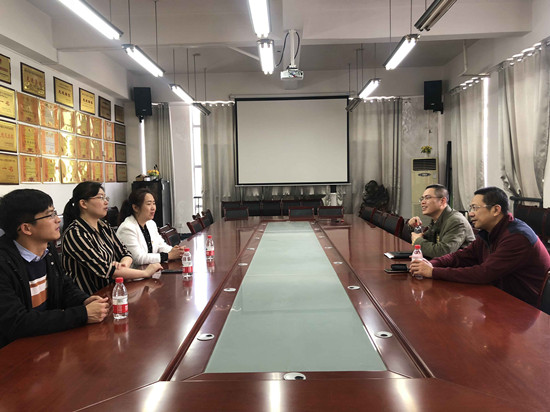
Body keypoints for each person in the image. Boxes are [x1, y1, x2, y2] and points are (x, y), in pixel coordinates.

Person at [0, 189, 109, 348]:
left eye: (55, 213)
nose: (58, 220)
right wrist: (82, 314)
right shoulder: (4, 263)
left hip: (47, 341)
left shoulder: (47, 249)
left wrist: (84, 300)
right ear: (26, 228)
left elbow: (63, 285)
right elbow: (17, 322)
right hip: (15, 351)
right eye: (50, 215)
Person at [410, 187, 550, 307]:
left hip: (525, 307)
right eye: (471, 208)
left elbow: (484, 273)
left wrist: (433, 272)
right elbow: (462, 256)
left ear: (496, 210)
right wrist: (431, 264)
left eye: (475, 208)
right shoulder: (489, 231)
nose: (471, 213)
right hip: (500, 297)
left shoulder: (517, 237)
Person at [62, 182, 162, 295]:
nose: (106, 202)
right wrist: (145, 273)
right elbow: (105, 270)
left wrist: (122, 265)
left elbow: (126, 253)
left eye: (106, 198)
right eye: (101, 198)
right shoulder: (75, 233)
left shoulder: (104, 226)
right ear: (83, 204)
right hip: (90, 298)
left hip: (111, 291)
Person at [116, 188, 184, 266]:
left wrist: (176, 251)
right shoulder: (127, 228)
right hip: (135, 272)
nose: (153, 208)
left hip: (149, 269)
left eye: (154, 203)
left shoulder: (151, 224)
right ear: (135, 208)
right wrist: (168, 256)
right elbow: (138, 258)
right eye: (149, 204)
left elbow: (160, 245)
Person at [407, 184, 475, 258]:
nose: (422, 202)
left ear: (442, 201)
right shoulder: (439, 218)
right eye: (422, 198)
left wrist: (417, 240)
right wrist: (414, 228)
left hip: (460, 264)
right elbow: (426, 239)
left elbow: (442, 252)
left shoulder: (456, 221)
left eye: (427, 198)